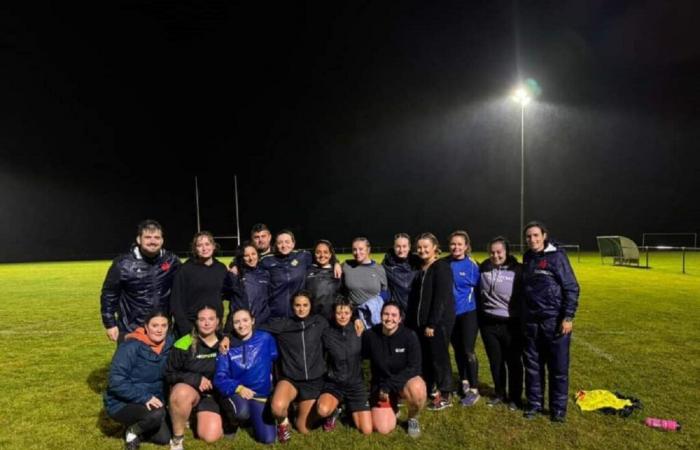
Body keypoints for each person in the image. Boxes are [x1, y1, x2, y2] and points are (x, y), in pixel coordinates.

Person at [521, 221, 580, 423]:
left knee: (558, 369)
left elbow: (571, 288)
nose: (532, 239)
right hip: (531, 323)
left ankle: (558, 410)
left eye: (536, 235)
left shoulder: (557, 257)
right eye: (528, 236)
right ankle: (535, 405)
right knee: (533, 366)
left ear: (544, 235)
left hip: (554, 322)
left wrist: (568, 317)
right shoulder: (528, 257)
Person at [260, 291, 328, 442]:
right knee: (277, 408)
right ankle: (283, 423)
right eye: (297, 305)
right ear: (292, 307)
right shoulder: (283, 324)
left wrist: (356, 321)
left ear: (311, 306)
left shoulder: (320, 322)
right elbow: (253, 327)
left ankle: (308, 410)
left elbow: (340, 322)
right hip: (290, 379)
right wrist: (228, 337)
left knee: (303, 428)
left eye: (305, 305)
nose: (301, 309)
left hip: (313, 380)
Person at [101, 220, 181, 343]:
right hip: (132, 329)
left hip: (162, 328)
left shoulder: (171, 261)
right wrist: (110, 323)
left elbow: (185, 287)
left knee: (162, 361)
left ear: (162, 240)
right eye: (148, 237)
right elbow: (109, 294)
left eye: (156, 237)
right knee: (130, 362)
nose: (152, 241)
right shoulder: (123, 264)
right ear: (139, 239)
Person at [104, 311, 173, 449]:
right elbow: (116, 381)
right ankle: (132, 431)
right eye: (154, 325)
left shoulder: (170, 345)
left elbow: (192, 338)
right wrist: (144, 397)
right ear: (146, 327)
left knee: (164, 438)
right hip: (123, 402)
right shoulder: (130, 347)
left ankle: (139, 424)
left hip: (154, 402)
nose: (159, 330)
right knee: (156, 414)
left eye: (163, 325)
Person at [406, 233, 455, 411]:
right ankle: (432, 388)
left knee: (439, 358)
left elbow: (441, 299)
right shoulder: (421, 269)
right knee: (427, 357)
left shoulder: (441, 267)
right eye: (419, 247)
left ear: (435, 247)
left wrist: (432, 324)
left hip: (437, 323)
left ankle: (446, 393)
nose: (422, 250)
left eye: (426, 246)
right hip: (421, 324)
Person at [214, 309, 278, 444]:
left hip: (260, 395)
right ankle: (231, 422)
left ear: (253, 321)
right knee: (242, 412)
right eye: (237, 322)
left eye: (245, 320)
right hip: (238, 392)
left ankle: (253, 417)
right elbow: (219, 378)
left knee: (268, 439)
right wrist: (238, 388)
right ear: (232, 324)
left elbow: (274, 358)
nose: (241, 325)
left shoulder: (265, 338)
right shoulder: (226, 346)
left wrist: (271, 379)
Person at [363, 301, 426, 438]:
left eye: (393, 315)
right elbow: (362, 361)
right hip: (381, 386)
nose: (389, 318)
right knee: (383, 428)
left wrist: (389, 385)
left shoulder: (410, 336)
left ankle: (412, 419)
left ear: (399, 319)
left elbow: (414, 367)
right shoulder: (370, 335)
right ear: (380, 316)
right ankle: (393, 406)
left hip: (403, 383)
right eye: (386, 314)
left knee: (418, 389)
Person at [166, 305, 224, 449]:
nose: (206, 323)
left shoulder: (225, 342)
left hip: (213, 396)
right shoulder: (184, 342)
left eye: (211, 319)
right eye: (202, 319)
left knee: (210, 436)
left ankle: (195, 416)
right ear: (196, 322)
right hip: (190, 391)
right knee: (180, 393)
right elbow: (169, 374)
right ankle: (177, 439)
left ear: (217, 322)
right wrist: (195, 379)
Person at [478, 236, 524, 409]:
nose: (495, 255)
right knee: (495, 361)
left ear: (506, 252)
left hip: (511, 324)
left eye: (499, 252)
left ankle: (515, 397)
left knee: (513, 362)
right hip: (488, 325)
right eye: (492, 252)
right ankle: (499, 393)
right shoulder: (483, 267)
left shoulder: (518, 270)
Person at [316, 297, 372, 435]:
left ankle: (347, 409)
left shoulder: (359, 330)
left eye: (346, 313)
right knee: (322, 410)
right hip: (335, 383)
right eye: (339, 313)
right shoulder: (326, 332)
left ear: (351, 314)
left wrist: (357, 320)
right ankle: (334, 410)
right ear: (333, 314)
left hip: (355, 384)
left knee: (366, 430)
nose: (342, 316)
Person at [170, 232, 228, 338]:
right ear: (195, 249)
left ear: (213, 246)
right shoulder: (185, 269)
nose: (204, 248)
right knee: (186, 354)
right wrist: (186, 329)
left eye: (207, 244)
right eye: (200, 245)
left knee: (212, 354)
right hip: (190, 329)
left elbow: (227, 294)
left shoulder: (221, 268)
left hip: (214, 327)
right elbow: (175, 302)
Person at [447, 230, 481, 406]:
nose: (456, 247)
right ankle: (464, 382)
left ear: (466, 246)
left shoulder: (473, 266)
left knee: (468, 350)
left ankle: (474, 390)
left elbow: (481, 289)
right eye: (453, 244)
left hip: (468, 313)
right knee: (458, 350)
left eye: (460, 244)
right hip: (451, 315)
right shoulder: (445, 263)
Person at [342, 237, 389, 328]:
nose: (357, 252)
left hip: (374, 316)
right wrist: (336, 263)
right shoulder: (346, 266)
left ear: (368, 249)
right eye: (354, 250)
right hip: (354, 316)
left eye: (361, 249)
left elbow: (385, 291)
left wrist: (371, 305)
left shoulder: (378, 268)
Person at [224, 242, 271, 328]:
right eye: (246, 255)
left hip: (262, 325)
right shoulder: (235, 274)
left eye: (253, 254)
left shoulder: (265, 273)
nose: (251, 258)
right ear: (241, 257)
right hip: (240, 325)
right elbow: (224, 294)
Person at [381, 233, 421, 312]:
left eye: (404, 246)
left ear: (409, 247)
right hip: (397, 311)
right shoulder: (386, 264)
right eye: (398, 246)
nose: (401, 250)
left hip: (416, 308)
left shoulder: (418, 262)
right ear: (394, 247)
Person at [305, 240, 341, 320]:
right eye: (318, 252)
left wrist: (336, 262)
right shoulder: (307, 270)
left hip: (331, 318)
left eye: (325, 252)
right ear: (314, 254)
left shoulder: (338, 271)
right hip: (311, 318)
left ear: (330, 254)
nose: (322, 255)